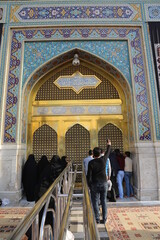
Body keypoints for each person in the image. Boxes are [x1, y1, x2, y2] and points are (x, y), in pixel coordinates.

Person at [87, 139, 111, 224]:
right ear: (100, 153)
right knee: (103, 201)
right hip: (104, 183)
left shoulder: (91, 163)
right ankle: (104, 219)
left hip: (95, 184)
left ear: (93, 154)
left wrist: (89, 185)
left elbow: (88, 176)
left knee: (95, 201)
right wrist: (109, 144)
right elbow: (108, 152)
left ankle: (97, 219)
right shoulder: (103, 160)